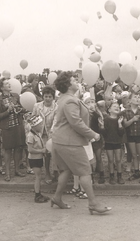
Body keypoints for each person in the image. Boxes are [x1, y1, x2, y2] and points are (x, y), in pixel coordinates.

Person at [51, 71, 111, 214]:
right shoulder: (70, 100)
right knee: (85, 171)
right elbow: (76, 123)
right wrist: (93, 134)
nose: (77, 81)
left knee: (66, 170)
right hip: (70, 142)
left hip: (60, 141)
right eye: (73, 80)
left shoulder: (64, 98)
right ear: (68, 85)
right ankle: (93, 204)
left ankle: (57, 197)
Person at [0, 78, 26, 181]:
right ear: (2, 87)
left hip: (18, 126)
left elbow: (23, 109)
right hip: (7, 129)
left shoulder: (16, 96)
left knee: (18, 148)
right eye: (6, 83)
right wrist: (8, 111)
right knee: (8, 150)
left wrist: (19, 109)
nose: (9, 84)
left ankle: (17, 170)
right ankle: (7, 173)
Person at [32, 85, 57, 184]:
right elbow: (33, 118)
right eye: (46, 96)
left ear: (53, 97)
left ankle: (53, 172)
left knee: (51, 154)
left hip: (51, 133)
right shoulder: (37, 106)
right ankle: (42, 173)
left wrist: (52, 132)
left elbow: (56, 120)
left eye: (50, 96)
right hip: (39, 133)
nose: (47, 98)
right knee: (42, 154)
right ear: (43, 97)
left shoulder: (56, 107)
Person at [123, 92, 140, 183]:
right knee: (134, 155)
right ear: (130, 100)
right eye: (135, 97)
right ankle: (136, 172)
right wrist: (133, 119)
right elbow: (125, 124)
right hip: (130, 136)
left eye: (138, 97)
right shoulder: (126, 111)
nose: (137, 98)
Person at [98, 102, 125, 184]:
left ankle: (119, 176)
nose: (117, 107)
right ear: (109, 110)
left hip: (117, 142)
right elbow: (104, 133)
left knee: (118, 160)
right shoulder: (106, 120)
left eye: (118, 106)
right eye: (114, 106)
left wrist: (120, 124)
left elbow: (121, 133)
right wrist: (102, 126)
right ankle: (111, 176)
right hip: (108, 142)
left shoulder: (120, 119)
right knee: (110, 160)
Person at [27, 115, 50, 203]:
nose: (41, 126)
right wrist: (42, 151)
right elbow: (30, 149)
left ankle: (39, 193)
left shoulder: (37, 134)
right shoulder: (30, 136)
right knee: (38, 177)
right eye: (40, 125)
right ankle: (37, 195)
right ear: (34, 126)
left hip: (38, 158)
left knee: (39, 176)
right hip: (34, 159)